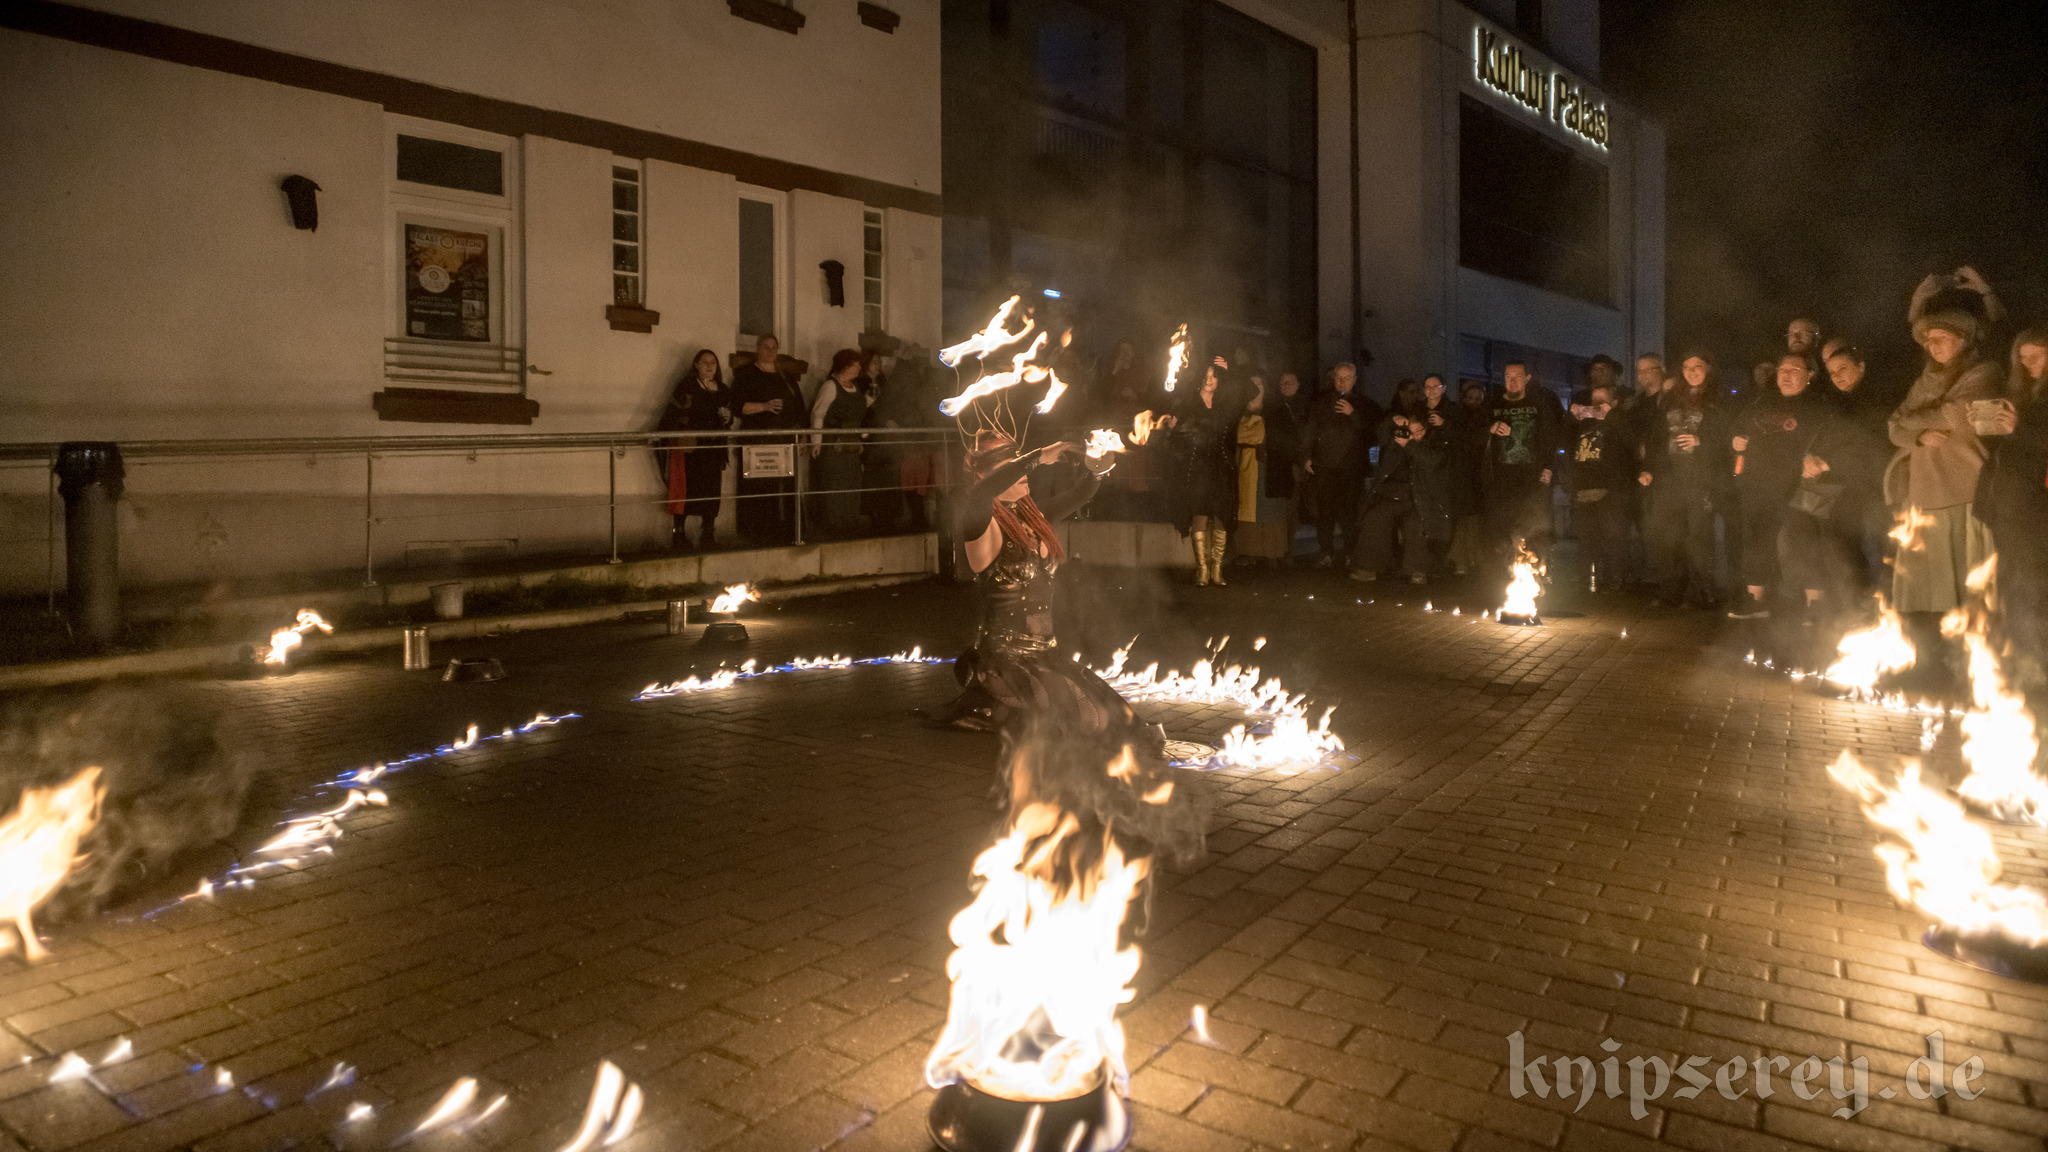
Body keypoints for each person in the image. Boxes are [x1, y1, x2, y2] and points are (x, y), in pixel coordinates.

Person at [1885, 306, 2002, 615]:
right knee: (1931, 583)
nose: (1932, 345)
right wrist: (1920, 436)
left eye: (1941, 337)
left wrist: (1913, 419)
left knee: (1971, 579)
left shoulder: (1983, 372)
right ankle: (1932, 633)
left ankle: (1974, 633)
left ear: (1963, 340)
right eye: (1929, 340)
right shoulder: (1924, 382)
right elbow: (1893, 427)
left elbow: (1957, 415)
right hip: (1925, 492)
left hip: (1965, 488)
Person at [1727, 354, 1830, 618]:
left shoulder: (1816, 406)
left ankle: (1815, 605)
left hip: (1797, 485)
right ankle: (1756, 600)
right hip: (1758, 484)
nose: (1785, 374)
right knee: (1756, 540)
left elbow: (1829, 440)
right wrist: (1736, 440)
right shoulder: (1762, 401)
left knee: (1805, 540)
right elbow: (1737, 429)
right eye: (1782, 369)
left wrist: (1818, 459)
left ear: (1809, 375)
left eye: (1794, 369)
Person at [1974, 328, 2048, 677]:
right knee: (2008, 588)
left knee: (2032, 588)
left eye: (2037, 355)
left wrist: (2019, 427)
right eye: (2022, 356)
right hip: (2006, 505)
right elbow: (2006, 451)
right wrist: (1986, 425)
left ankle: (2036, 671)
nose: (2028, 363)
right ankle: (2013, 666)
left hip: (2035, 510)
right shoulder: (2021, 394)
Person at [1640, 353, 1721, 607]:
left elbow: (1727, 438)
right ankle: (1671, 590)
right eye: (1687, 367)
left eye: (1698, 366)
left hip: (1700, 479)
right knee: (1668, 535)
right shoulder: (1671, 399)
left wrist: (1701, 441)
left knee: (1699, 536)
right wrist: (1649, 468)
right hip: (1669, 478)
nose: (1692, 371)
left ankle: (1702, 592)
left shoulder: (1717, 399)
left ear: (1708, 368)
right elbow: (1656, 436)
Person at [1159, 360, 1243, 585]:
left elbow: (1249, 392)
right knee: (1200, 514)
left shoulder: (1224, 404)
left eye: (1214, 376)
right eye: (1206, 375)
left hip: (1221, 468)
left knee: (1222, 516)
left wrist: (1230, 369)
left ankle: (1217, 568)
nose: (1209, 379)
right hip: (1197, 468)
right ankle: (1203, 570)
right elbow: (1177, 436)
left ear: (1219, 381)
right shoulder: (1188, 404)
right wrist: (1172, 428)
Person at [1481, 361, 1565, 566]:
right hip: (1501, 478)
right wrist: (1490, 429)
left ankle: (1539, 567)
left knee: (1535, 524)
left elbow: (1550, 438)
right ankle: (1508, 570)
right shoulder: (1493, 405)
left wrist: (1549, 467)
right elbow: (1473, 435)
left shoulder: (1539, 405)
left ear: (1527, 379)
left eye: (1517, 376)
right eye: (1508, 376)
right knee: (1503, 527)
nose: (1512, 381)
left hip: (1532, 477)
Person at [656, 348, 734, 551]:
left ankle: (708, 533)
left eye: (713, 363)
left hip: (713, 448)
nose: (709, 366)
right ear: (696, 365)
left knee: (712, 490)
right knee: (687, 489)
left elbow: (729, 418)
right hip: (691, 449)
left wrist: (728, 418)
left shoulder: (723, 389)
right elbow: (673, 412)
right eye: (705, 362)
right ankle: (679, 533)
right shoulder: (688, 386)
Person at [732, 334, 805, 544]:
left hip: (783, 441)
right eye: (766, 347)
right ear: (757, 348)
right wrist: (764, 406)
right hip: (758, 441)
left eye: (774, 347)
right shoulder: (746, 374)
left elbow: (799, 409)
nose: (770, 351)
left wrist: (802, 435)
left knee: (785, 486)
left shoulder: (786, 377)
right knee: (760, 487)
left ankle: (788, 531)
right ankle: (759, 533)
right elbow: (737, 406)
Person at [1305, 363, 1375, 568]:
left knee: (1349, 513)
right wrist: (1306, 456)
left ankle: (1351, 552)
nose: (1342, 382)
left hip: (1351, 468)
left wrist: (1353, 414)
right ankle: (1326, 551)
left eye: (1347, 378)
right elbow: (1310, 430)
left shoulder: (1364, 404)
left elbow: (1372, 433)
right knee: (1324, 511)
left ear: (1354, 380)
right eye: (1339, 378)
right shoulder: (1321, 403)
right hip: (1325, 465)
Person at [1568, 385, 1636, 593]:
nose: (1596, 404)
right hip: (1584, 489)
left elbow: (1632, 441)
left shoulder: (1619, 420)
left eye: (1602, 400)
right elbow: (1564, 440)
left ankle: (1617, 578)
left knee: (1613, 536)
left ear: (1614, 403)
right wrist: (1572, 417)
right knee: (1587, 537)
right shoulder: (1584, 423)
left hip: (1611, 489)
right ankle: (1586, 577)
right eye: (1594, 400)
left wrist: (1611, 415)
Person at [1352, 412, 1432, 583]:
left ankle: (1417, 570)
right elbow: (1380, 432)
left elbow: (1430, 462)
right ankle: (1368, 568)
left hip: (1416, 501)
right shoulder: (1393, 446)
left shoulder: (1428, 448)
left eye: (1419, 431)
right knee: (1375, 519)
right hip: (1389, 497)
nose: (1414, 436)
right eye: (1410, 432)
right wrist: (1392, 420)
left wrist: (1410, 446)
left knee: (1416, 525)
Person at [1232, 376, 1294, 565]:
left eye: (1259, 384)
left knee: (1269, 508)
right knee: (1247, 508)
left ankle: (1271, 552)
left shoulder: (1277, 409)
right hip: (1246, 466)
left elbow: (1285, 438)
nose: (1255, 388)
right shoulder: (1238, 410)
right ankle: (1248, 551)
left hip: (1269, 467)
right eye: (1251, 384)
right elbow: (1234, 437)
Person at [809, 348, 871, 537]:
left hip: (852, 447)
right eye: (855, 365)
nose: (859, 369)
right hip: (834, 446)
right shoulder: (830, 386)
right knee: (835, 485)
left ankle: (849, 522)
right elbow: (818, 414)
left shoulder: (856, 388)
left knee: (852, 484)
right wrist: (816, 442)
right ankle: (834, 525)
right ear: (845, 366)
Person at [1447, 380, 1492, 576]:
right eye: (1470, 398)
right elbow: (1463, 440)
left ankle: (1474, 559)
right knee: (1465, 517)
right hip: (1462, 473)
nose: (1474, 402)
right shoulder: (1458, 418)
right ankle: (1461, 559)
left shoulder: (1487, 417)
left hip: (1481, 474)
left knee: (1477, 518)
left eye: (1478, 399)